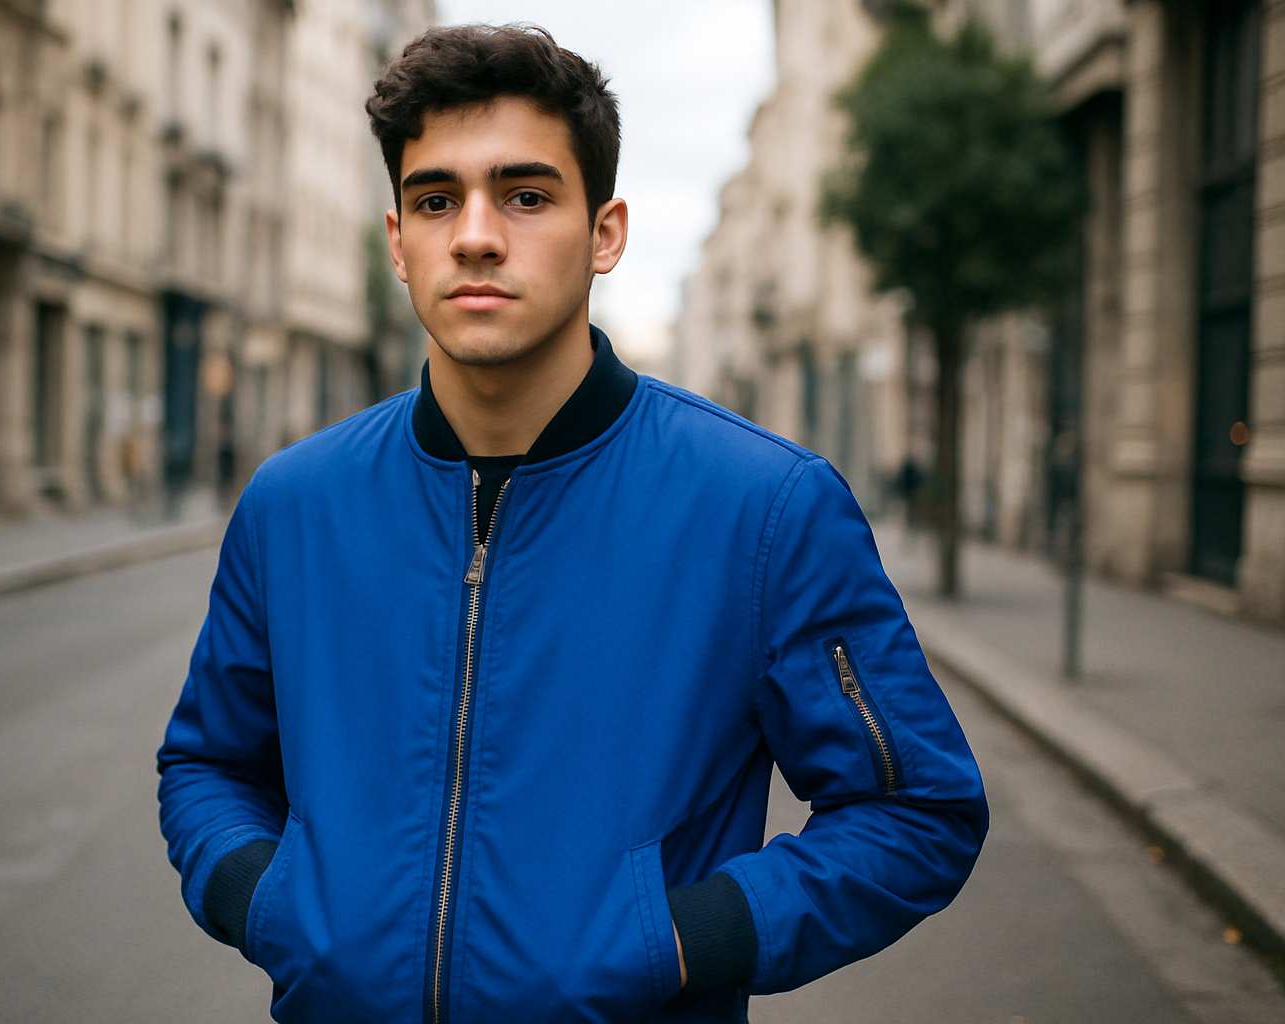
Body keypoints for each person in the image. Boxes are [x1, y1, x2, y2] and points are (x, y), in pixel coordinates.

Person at [157, 23, 987, 1023]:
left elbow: (915, 807)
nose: (474, 233)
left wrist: (685, 938)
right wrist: (272, 904)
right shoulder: (293, 504)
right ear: (398, 242)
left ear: (605, 233)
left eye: (526, 195)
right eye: (435, 199)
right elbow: (208, 760)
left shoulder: (763, 508)